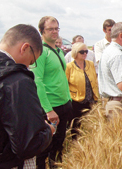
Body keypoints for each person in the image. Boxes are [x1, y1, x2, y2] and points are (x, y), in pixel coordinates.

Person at [0, 24, 54, 169]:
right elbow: (28, 145)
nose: (29, 67)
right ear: (25, 48)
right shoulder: (17, 81)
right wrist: (48, 131)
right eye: (31, 61)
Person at [32, 16, 72, 168]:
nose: (54, 32)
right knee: (44, 148)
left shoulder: (58, 51)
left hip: (64, 104)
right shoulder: (41, 52)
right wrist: (48, 110)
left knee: (58, 144)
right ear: (41, 31)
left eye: (56, 28)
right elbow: (37, 81)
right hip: (51, 107)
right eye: (50, 29)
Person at [66, 42, 99, 140]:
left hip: (91, 100)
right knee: (76, 127)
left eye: (86, 51)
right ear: (75, 53)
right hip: (76, 101)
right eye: (82, 52)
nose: (85, 54)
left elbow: (94, 80)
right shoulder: (69, 67)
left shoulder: (90, 64)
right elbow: (65, 84)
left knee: (91, 125)